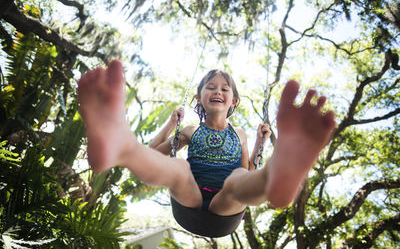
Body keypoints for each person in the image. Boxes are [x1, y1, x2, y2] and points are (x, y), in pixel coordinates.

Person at [77, 60, 336, 234]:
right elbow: (155, 155)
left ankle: (277, 175)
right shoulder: (190, 130)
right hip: (189, 202)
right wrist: (171, 123)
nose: (217, 90)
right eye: (210, 87)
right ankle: (123, 148)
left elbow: (249, 168)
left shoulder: (240, 134)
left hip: (225, 211)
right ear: (199, 97)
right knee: (178, 167)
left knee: (239, 178)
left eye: (224, 88)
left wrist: (260, 143)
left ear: (233, 100)